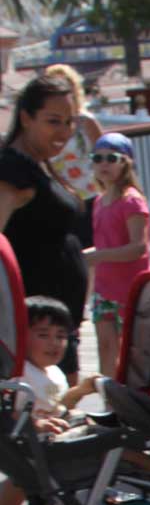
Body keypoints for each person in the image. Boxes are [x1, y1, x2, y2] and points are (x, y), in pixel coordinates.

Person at [0, 74, 87, 376]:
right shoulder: (12, 170)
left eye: (69, 121)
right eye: (53, 121)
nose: (64, 131)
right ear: (26, 117)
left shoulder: (41, 164)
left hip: (58, 327)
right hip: (34, 332)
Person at [0, 296, 104, 505]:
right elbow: (9, 412)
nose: (54, 343)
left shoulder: (53, 373)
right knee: (26, 483)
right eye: (43, 335)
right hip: (24, 448)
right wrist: (35, 424)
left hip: (44, 449)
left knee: (43, 489)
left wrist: (78, 392)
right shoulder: (20, 373)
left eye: (61, 336)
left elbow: (57, 409)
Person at [83, 132, 150, 377]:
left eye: (111, 158)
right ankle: (108, 400)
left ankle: (132, 400)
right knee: (105, 346)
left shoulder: (132, 201)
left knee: (132, 350)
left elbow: (138, 247)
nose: (103, 164)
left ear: (126, 162)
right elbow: (104, 245)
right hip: (104, 288)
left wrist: (100, 255)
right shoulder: (100, 201)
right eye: (97, 158)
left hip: (130, 288)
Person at [44, 62, 102, 248]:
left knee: (92, 251)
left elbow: (106, 152)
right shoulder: (46, 125)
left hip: (90, 195)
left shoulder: (86, 121)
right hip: (60, 198)